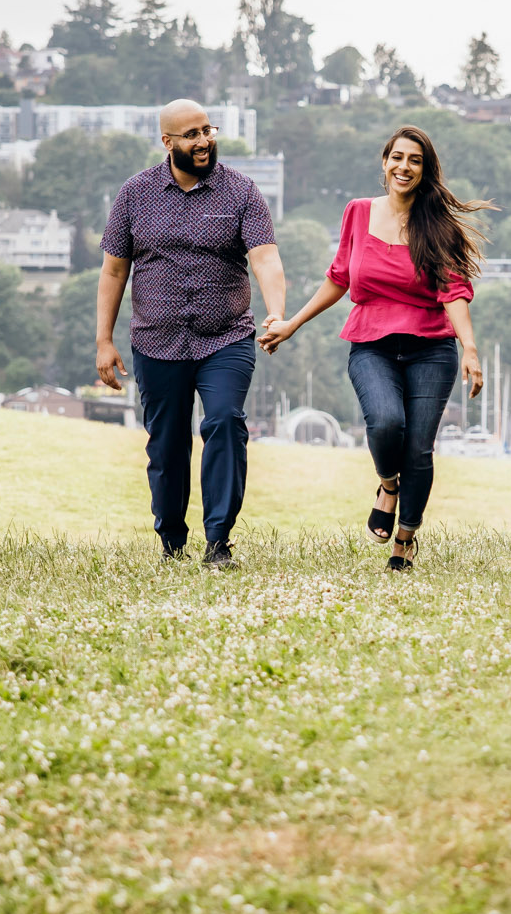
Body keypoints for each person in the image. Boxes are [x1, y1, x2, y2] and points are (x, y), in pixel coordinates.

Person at [259, 125, 489, 570]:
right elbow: (339, 278)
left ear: (425, 171)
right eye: (397, 157)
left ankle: (404, 542)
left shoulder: (436, 226)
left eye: (415, 160)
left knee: (419, 448)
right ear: (384, 163)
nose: (404, 166)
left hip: (431, 349)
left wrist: (471, 349)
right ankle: (388, 484)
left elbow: (454, 291)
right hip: (371, 344)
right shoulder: (357, 212)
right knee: (385, 424)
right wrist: (292, 325)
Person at [96, 98, 285, 568]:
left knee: (224, 422)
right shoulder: (135, 194)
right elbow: (115, 270)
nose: (204, 141)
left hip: (226, 337)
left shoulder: (241, 192)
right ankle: (171, 543)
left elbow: (264, 257)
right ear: (168, 142)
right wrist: (104, 339)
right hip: (157, 341)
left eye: (208, 130)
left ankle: (218, 543)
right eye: (192, 135)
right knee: (167, 444)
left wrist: (277, 313)